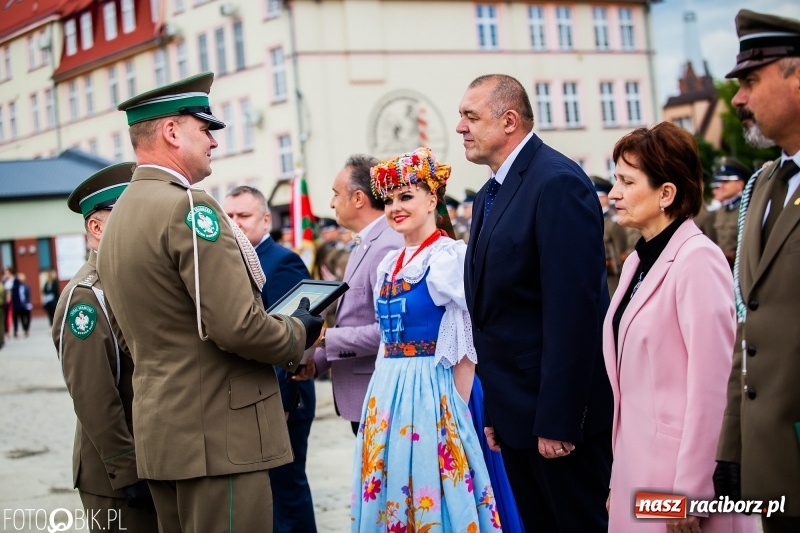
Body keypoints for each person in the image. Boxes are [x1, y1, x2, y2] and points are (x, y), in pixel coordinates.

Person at [96, 72, 322, 532]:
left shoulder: (120, 217)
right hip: (219, 437)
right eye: (205, 130)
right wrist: (298, 331)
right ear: (172, 132)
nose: (214, 143)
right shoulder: (188, 208)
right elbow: (236, 326)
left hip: (165, 432)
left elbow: (127, 329)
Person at [457, 73, 613, 532]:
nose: (460, 127)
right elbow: (495, 313)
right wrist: (498, 415)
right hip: (516, 415)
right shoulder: (491, 193)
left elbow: (574, 314)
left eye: (470, 116)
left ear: (509, 121)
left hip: (556, 422)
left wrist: (559, 419)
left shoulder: (556, 183)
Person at [602, 123, 756, 532]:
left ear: (666, 194)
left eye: (627, 181)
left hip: (677, 481)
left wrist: (693, 492)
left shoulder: (697, 260)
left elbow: (714, 386)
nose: (614, 192)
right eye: (615, 179)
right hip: (638, 472)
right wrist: (621, 478)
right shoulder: (639, 260)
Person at [350, 146, 500, 531]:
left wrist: (456, 411)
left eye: (406, 197)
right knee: (392, 481)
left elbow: (466, 346)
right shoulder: (389, 264)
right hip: (388, 391)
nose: (395, 207)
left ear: (432, 199)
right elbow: (386, 341)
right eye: (389, 200)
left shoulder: (448, 258)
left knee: (434, 485)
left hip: (434, 390)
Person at [715, 10, 800, 533]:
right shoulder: (765, 186)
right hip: (771, 464)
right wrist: (731, 447)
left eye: (750, 80)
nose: (738, 99)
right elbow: (750, 330)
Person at [52, 162, 159, 532]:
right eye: (128, 214)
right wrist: (126, 469)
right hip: (117, 479)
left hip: (152, 464)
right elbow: (93, 395)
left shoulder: (128, 278)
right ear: (96, 228)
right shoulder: (88, 296)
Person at [223, 185, 317, 533]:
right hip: (256, 398)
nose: (235, 224)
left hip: (282, 398)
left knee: (287, 493)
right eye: (228, 217)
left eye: (243, 216)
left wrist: (282, 400)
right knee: (269, 498)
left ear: (265, 219)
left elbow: (289, 338)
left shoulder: (282, 262)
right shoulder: (231, 260)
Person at [306, 154, 403, 435]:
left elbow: (389, 331)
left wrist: (324, 339)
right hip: (361, 394)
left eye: (336, 194)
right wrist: (317, 364)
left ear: (358, 198)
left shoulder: (388, 245)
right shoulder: (364, 243)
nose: (331, 203)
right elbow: (352, 318)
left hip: (379, 396)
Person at [592, 176, 629, 296]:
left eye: (599, 196)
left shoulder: (614, 221)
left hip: (612, 279)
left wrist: (613, 264)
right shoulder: (593, 219)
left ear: (605, 197)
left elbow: (620, 252)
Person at [711, 158, 751, 267]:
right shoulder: (720, 211)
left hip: (741, 268)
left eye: (726, 181)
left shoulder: (748, 208)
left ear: (740, 184)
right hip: (723, 268)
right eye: (720, 182)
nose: (721, 186)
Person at [12, 272, 32, 338]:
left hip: (26, 303)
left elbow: (28, 295)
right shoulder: (17, 287)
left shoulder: (26, 286)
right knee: (22, 317)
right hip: (20, 305)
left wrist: (28, 302)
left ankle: (27, 328)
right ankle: (25, 329)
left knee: (28, 317)